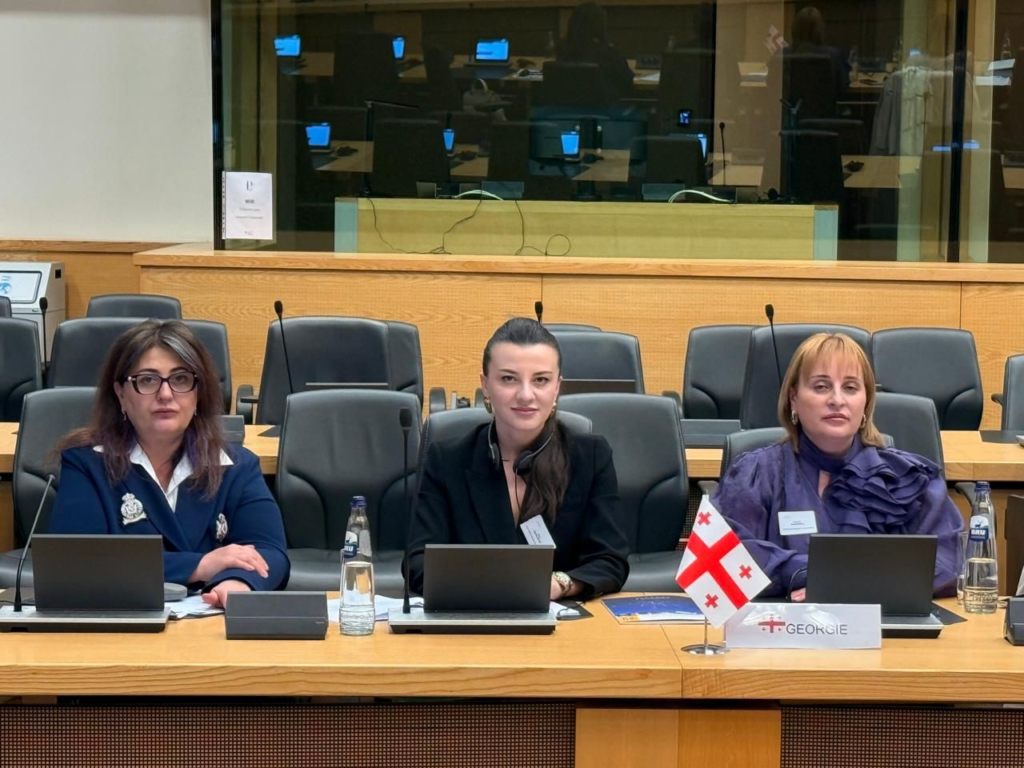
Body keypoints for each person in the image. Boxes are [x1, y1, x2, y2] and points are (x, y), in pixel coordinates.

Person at [49, 320, 290, 607]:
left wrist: (238, 581)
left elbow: (270, 551)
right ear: (121, 393)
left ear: (198, 393)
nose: (165, 395)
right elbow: (78, 562)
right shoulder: (87, 463)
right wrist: (199, 566)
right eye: (147, 380)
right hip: (120, 621)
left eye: (181, 379)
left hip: (210, 622)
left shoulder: (236, 465)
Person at [712, 332, 962, 599]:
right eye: (821, 386)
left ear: (866, 402)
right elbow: (724, 555)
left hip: (885, 623)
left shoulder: (909, 480)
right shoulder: (756, 474)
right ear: (793, 398)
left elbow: (948, 563)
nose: (837, 400)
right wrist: (823, 575)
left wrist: (849, 584)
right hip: (782, 621)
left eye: (850, 388)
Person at [407, 318, 629, 600]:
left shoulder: (591, 457)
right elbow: (418, 564)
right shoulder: (446, 460)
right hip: (471, 614)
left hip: (562, 617)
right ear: (485, 385)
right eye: (508, 379)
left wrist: (558, 584)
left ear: (557, 387)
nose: (525, 395)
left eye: (541, 380)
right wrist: (499, 588)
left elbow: (610, 560)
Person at [557, 1, 635, 100]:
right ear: (600, 26)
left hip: (565, 107)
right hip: (605, 107)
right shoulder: (608, 53)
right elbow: (628, 80)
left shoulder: (563, 52)